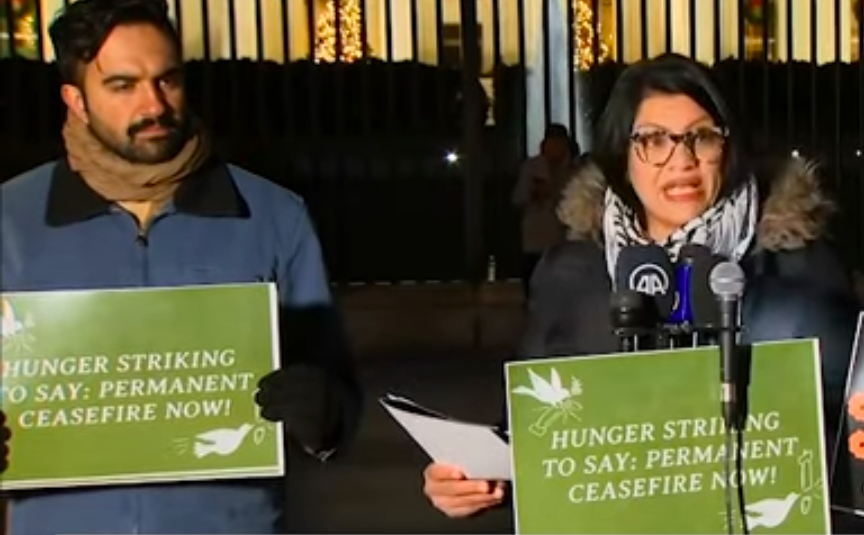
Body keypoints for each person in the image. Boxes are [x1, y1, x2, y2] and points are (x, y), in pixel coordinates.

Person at [423, 53, 861, 531]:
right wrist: (479, 481)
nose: (682, 159)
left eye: (703, 136)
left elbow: (847, 439)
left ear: (729, 147)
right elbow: (534, 441)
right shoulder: (571, 275)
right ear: (621, 157)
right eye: (654, 140)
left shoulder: (797, 267)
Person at [0, 0, 361, 533]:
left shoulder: (271, 215)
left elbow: (338, 390)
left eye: (167, 80)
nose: (154, 104)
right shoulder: (11, 220)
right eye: (123, 85)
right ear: (75, 100)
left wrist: (323, 414)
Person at [511, 124, 576, 297]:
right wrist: (534, 193)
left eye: (559, 143)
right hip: (535, 242)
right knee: (534, 291)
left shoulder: (574, 171)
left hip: (563, 242)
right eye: (551, 143)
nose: (554, 148)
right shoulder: (531, 168)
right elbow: (517, 199)